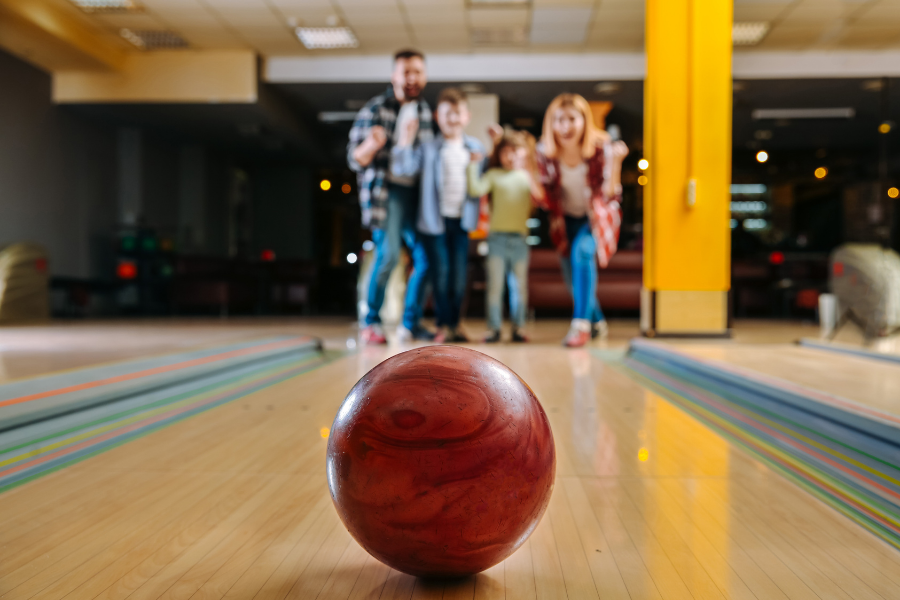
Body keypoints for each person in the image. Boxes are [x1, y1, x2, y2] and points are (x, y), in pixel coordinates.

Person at [347, 49, 433, 345]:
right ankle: (370, 322)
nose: (412, 78)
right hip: (387, 193)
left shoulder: (424, 111)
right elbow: (354, 159)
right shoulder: (375, 109)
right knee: (389, 255)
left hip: (418, 195)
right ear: (394, 76)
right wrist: (371, 144)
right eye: (406, 72)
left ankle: (411, 322)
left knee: (426, 258)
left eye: (417, 72)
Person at [391, 87, 486, 343]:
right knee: (441, 275)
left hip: (462, 221)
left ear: (466, 116)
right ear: (437, 116)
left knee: (458, 278)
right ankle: (444, 325)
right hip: (434, 223)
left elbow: (485, 181)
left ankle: (455, 324)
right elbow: (404, 169)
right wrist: (405, 141)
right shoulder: (429, 147)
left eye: (457, 114)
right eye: (447, 114)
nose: (452, 119)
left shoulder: (476, 148)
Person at [535, 93, 628, 348]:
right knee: (571, 276)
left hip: (595, 217)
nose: (565, 126)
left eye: (572, 119)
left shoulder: (601, 148)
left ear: (584, 121)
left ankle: (581, 327)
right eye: (559, 120)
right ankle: (597, 322)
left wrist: (617, 163)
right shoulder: (544, 152)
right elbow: (544, 198)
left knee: (583, 255)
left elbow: (610, 193)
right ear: (551, 124)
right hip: (565, 220)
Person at [467, 130, 544, 343]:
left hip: (520, 240)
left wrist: (528, 167)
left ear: (524, 153)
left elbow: (540, 197)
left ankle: (519, 328)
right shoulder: (494, 175)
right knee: (495, 286)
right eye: (506, 151)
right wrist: (473, 165)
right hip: (496, 239)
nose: (510, 156)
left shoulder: (527, 176)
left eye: (515, 151)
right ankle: (494, 329)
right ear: (499, 154)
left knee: (519, 287)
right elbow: (476, 189)